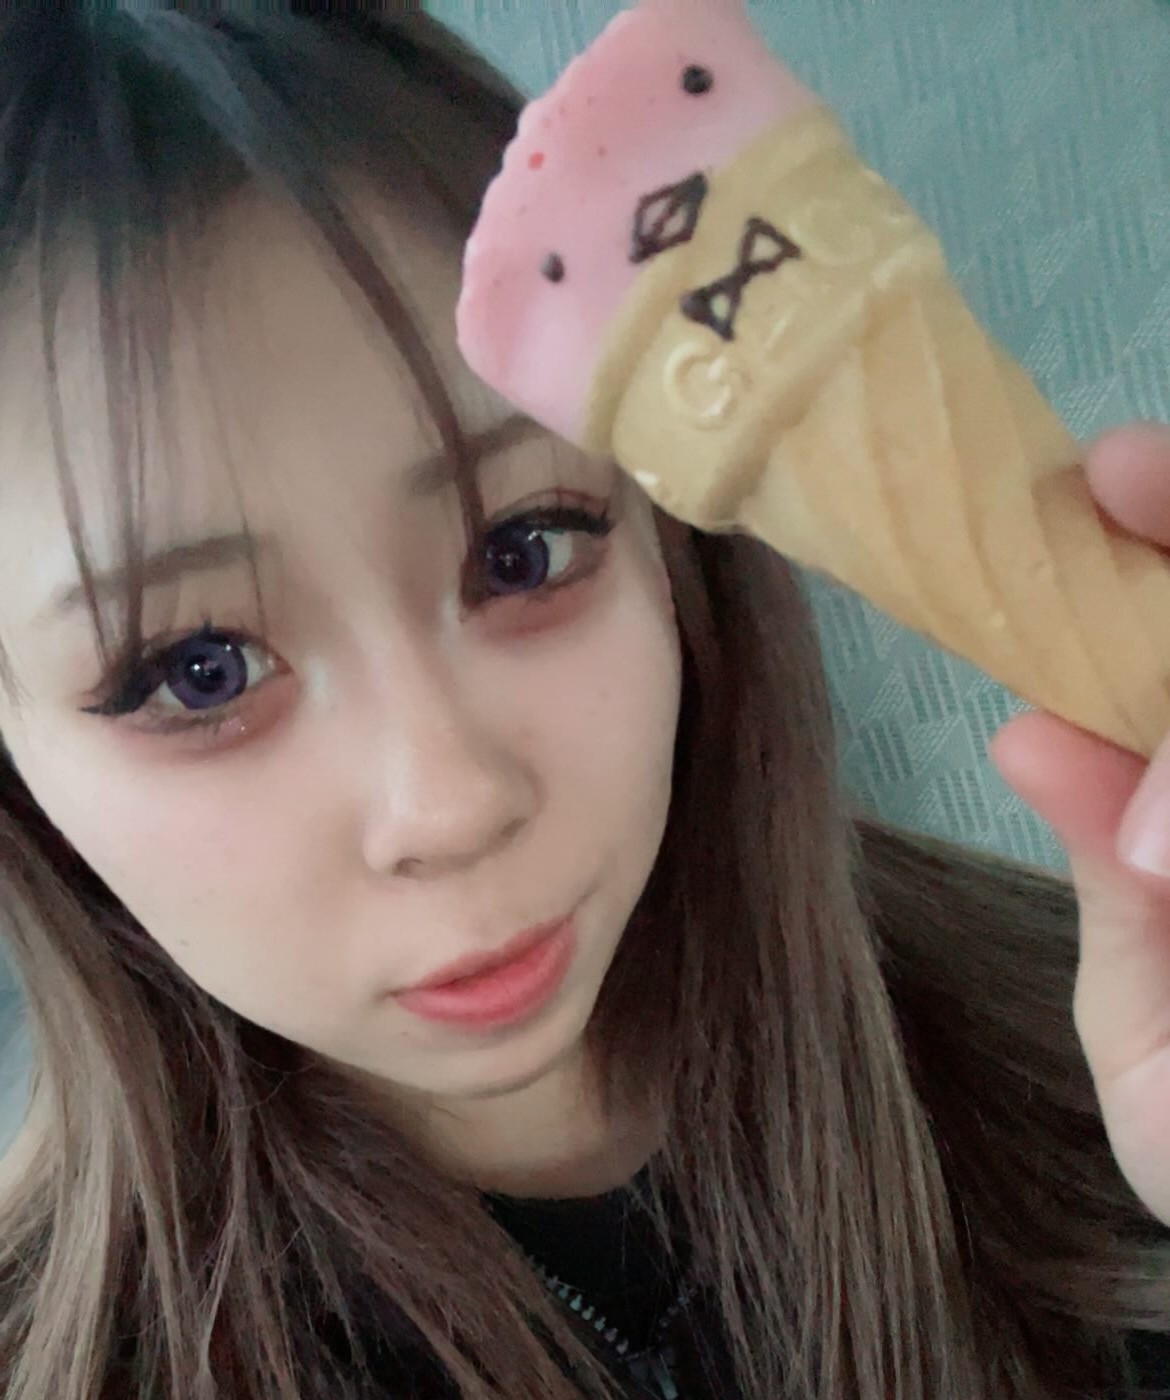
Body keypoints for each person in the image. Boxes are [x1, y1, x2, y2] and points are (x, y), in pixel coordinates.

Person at [0, 10, 1167, 1399]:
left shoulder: (1099, 1053)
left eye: (523, 549)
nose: (452, 804)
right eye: (196, 669)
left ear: (674, 549)